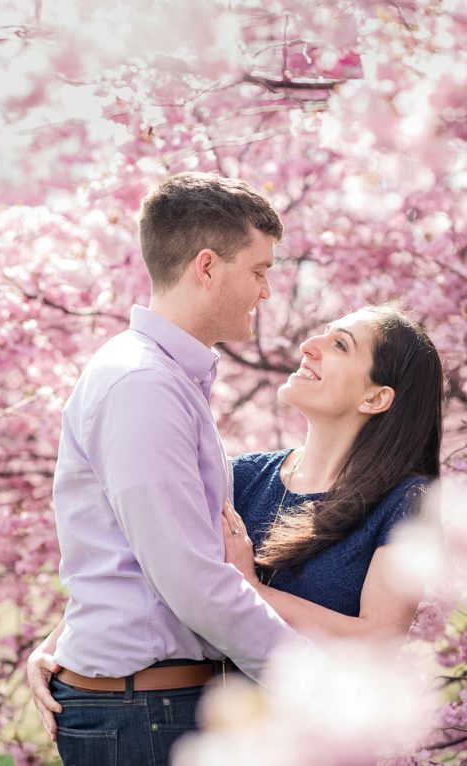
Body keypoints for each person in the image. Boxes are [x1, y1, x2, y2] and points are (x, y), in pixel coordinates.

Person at [25, 172, 315, 766]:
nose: (266, 292)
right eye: (259, 271)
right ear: (206, 267)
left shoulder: (160, 379)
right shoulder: (143, 385)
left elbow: (135, 555)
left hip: (148, 707)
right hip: (144, 715)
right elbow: (187, 575)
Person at [219, 305, 442, 640]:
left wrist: (252, 589)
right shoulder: (242, 477)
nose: (308, 345)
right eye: (323, 333)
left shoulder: (406, 503)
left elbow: (378, 641)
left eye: (340, 345)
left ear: (375, 397)